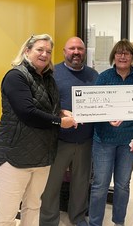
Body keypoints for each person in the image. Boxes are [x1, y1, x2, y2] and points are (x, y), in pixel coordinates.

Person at [0, 34, 77, 226]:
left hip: (41, 156)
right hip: (14, 158)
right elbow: (27, 112)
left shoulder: (47, 79)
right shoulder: (15, 76)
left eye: (48, 51)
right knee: (7, 215)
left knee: (33, 207)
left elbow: (46, 107)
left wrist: (61, 112)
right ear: (27, 50)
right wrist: (58, 122)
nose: (45, 54)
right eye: (40, 49)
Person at [88, 39, 133, 226]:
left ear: (132, 57)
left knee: (123, 185)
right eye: (119, 53)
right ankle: (95, 222)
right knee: (100, 186)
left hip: (129, 142)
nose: (122, 56)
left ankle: (118, 222)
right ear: (113, 56)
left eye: (127, 53)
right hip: (103, 140)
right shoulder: (103, 77)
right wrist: (107, 117)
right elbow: (95, 107)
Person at [40, 37, 98, 226]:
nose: (76, 52)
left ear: (84, 52)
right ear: (64, 51)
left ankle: (78, 217)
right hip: (58, 139)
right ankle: (49, 220)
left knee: (81, 183)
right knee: (51, 184)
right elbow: (43, 104)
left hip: (85, 139)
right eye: (72, 48)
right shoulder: (52, 73)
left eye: (80, 49)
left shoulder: (94, 75)